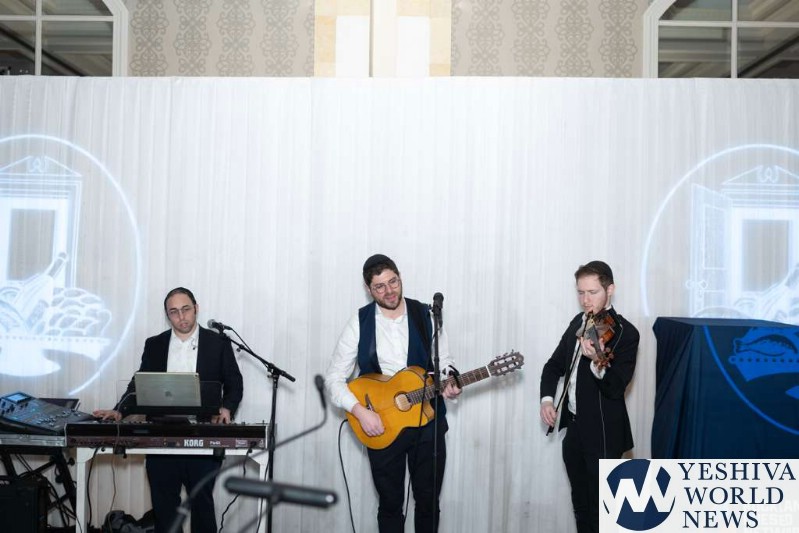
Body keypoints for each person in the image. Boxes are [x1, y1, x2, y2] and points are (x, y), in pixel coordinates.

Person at [325, 254, 461, 533]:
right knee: (390, 505)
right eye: (380, 286)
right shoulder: (359, 322)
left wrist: (450, 380)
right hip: (381, 424)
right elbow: (334, 379)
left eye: (393, 282)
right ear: (368, 289)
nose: (389, 291)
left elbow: (444, 361)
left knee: (428, 502)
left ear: (400, 278)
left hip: (429, 422)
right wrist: (360, 412)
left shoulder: (426, 315)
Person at [94, 287, 243, 533]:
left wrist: (227, 408)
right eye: (174, 312)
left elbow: (234, 383)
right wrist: (119, 410)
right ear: (167, 315)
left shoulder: (218, 343)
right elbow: (138, 384)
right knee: (164, 510)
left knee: (202, 505)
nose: (181, 316)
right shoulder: (155, 344)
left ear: (196, 308)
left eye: (185, 309)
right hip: (160, 436)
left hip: (203, 436)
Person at [539, 261, 639, 533]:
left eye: (593, 292)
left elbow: (615, 388)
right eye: (581, 292)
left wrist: (597, 360)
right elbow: (553, 366)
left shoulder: (625, 333)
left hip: (603, 435)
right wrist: (547, 400)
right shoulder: (579, 322)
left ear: (610, 290)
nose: (585, 300)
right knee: (580, 506)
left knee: (602, 514)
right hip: (574, 431)